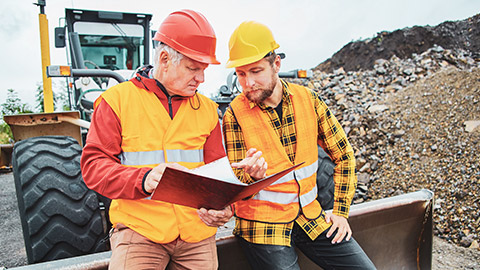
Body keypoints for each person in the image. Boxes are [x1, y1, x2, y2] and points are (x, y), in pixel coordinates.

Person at [81, 10, 232, 270]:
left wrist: (225, 207)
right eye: (193, 68)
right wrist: (143, 179)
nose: (201, 78)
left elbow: (219, 171)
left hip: (196, 231)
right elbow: (94, 167)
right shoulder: (116, 102)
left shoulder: (207, 109)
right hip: (140, 230)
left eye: (204, 69)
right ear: (164, 58)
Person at [222, 21, 376, 270]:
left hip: (310, 217)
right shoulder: (234, 114)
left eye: (256, 71)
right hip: (264, 227)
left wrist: (340, 212)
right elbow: (236, 182)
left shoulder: (309, 101)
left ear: (276, 65)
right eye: (241, 73)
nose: (248, 82)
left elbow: (344, 155)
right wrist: (250, 177)